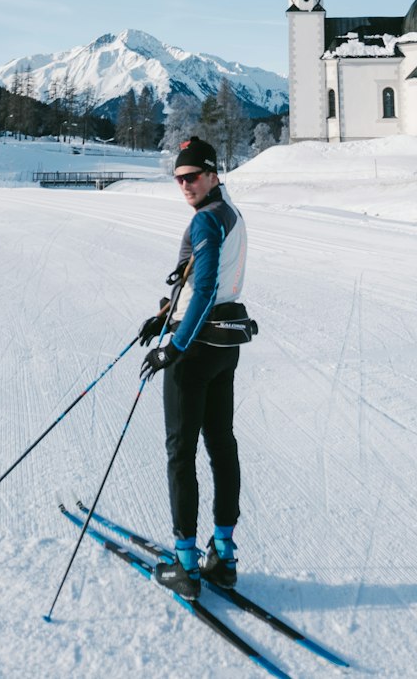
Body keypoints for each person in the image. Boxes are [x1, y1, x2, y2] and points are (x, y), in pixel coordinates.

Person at [139, 135, 254, 600]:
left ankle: (185, 562)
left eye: (192, 177)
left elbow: (204, 292)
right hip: (226, 345)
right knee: (221, 444)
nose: (185, 185)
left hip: (196, 350)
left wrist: (173, 346)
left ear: (213, 174)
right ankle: (222, 555)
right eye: (179, 179)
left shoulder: (206, 223)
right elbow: (205, 283)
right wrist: (166, 313)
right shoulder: (231, 214)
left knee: (179, 451)